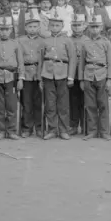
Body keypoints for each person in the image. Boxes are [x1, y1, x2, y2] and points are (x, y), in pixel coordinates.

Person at [40, 8, 76, 140]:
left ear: (62, 26)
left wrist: (71, 77)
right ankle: (52, 129)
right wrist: (40, 78)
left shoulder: (67, 40)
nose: (55, 27)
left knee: (63, 104)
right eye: (52, 25)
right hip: (48, 74)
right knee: (50, 104)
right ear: (49, 26)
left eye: (57, 25)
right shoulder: (45, 40)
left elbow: (73, 59)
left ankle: (63, 130)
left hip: (63, 74)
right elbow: (40, 59)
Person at [0, 15, 24, 141]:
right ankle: (1, 130)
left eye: (7, 29)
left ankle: (11, 130)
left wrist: (21, 79)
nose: (4, 32)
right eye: (2, 29)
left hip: (11, 77)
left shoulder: (15, 44)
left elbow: (20, 62)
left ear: (11, 30)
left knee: (12, 106)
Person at [78, 14, 111, 140]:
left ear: (101, 27)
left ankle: (104, 131)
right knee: (90, 105)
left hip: (102, 75)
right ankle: (92, 131)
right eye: (92, 27)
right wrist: (81, 79)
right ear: (88, 28)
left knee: (103, 104)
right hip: (88, 76)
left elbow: (110, 62)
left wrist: (109, 79)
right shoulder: (85, 43)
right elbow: (81, 62)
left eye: (96, 27)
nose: (94, 29)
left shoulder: (106, 43)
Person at [18, 9, 44, 138]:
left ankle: (39, 127)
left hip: (39, 74)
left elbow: (44, 60)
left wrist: (41, 77)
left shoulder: (43, 41)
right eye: (30, 27)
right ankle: (27, 127)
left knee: (38, 102)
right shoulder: (20, 41)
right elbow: (19, 59)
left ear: (39, 27)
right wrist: (21, 76)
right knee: (26, 102)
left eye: (35, 26)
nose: (32, 29)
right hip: (26, 74)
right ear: (25, 27)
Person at [67, 14, 87, 135]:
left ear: (84, 26)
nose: (76, 28)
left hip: (85, 74)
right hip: (72, 74)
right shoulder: (68, 40)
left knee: (85, 100)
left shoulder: (88, 40)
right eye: (74, 25)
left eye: (79, 25)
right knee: (72, 101)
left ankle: (85, 125)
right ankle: (73, 125)